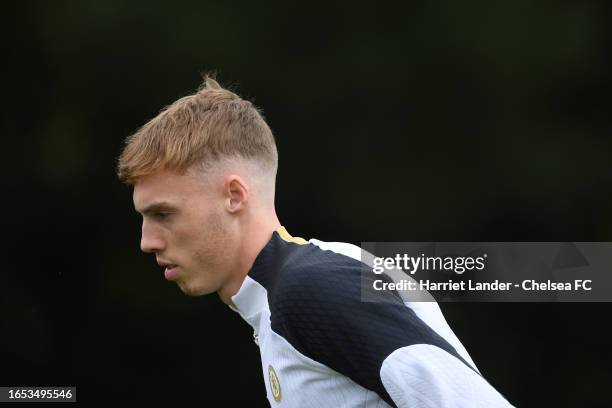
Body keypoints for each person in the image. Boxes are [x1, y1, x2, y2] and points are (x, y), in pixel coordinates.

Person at [117, 76, 514, 407]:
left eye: (163, 214)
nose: (146, 241)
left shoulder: (308, 289)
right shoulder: (296, 289)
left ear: (234, 196)